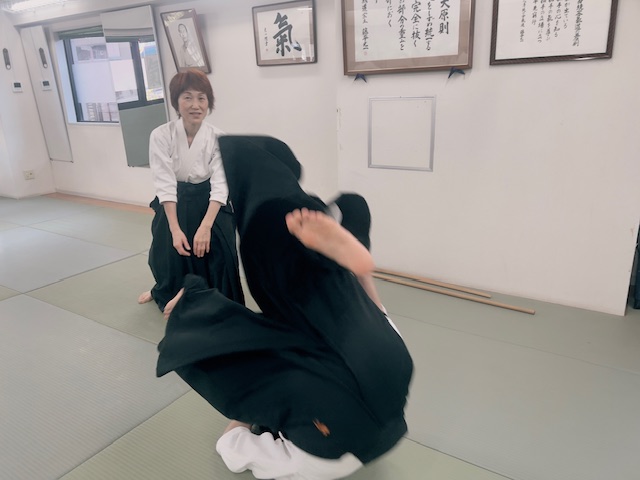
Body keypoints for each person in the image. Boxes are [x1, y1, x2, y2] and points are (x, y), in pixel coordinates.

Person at [156, 135, 413, 479]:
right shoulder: (301, 215)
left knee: (231, 442)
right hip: (391, 367)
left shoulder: (288, 357)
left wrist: (248, 413)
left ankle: (348, 269)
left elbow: (235, 416)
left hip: (332, 452)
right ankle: (356, 271)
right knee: (351, 312)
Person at [138, 69, 244, 313]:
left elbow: (220, 184)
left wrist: (206, 227)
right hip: (174, 200)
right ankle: (164, 290)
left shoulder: (218, 137)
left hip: (210, 202)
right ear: (176, 101)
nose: (195, 105)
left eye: (201, 98)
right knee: (166, 251)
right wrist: (175, 230)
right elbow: (165, 183)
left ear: (209, 102)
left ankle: (199, 294)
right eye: (187, 97)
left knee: (219, 252)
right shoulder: (161, 135)